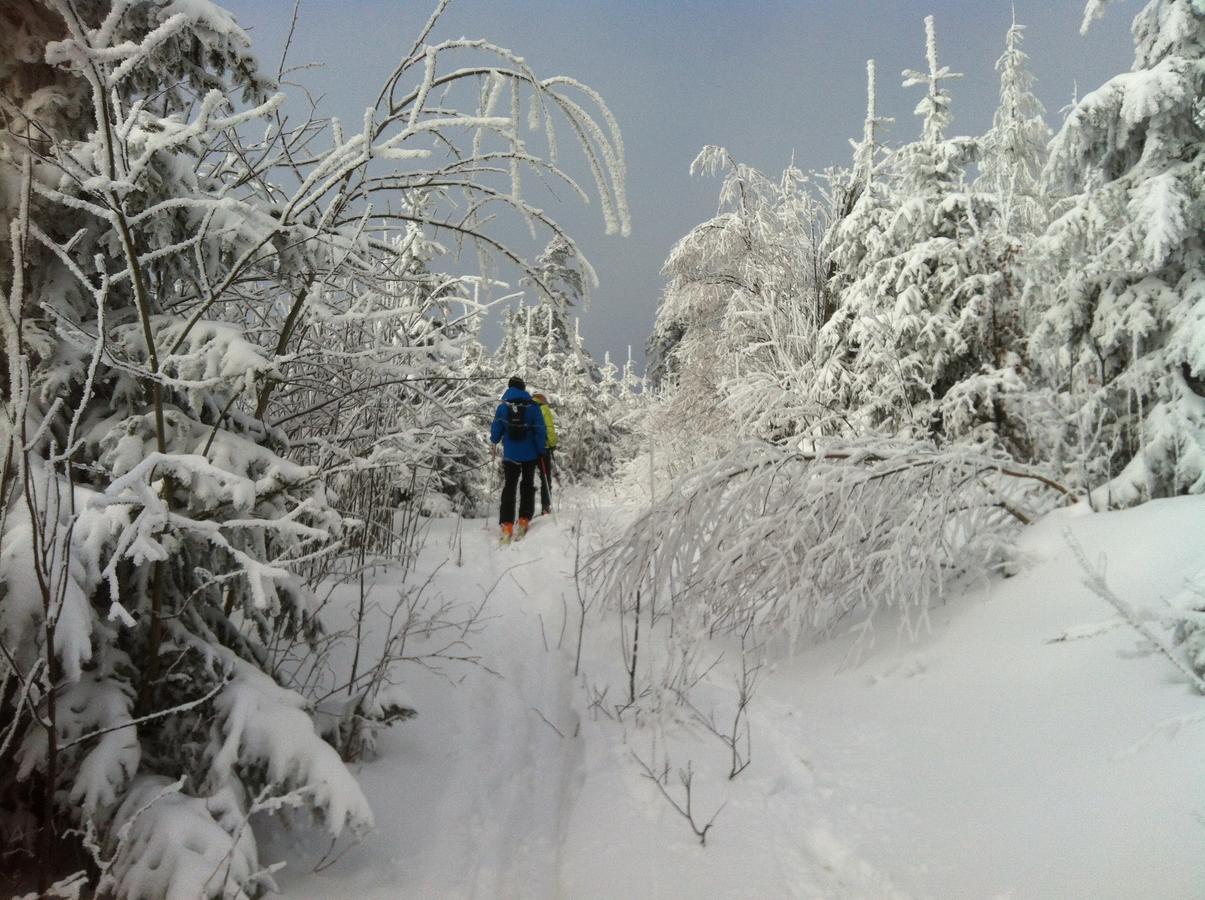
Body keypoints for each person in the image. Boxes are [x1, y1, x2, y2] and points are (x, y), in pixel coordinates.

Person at [490, 376, 547, 541]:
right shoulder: (533, 407)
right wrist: (540, 450)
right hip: (530, 455)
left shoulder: (503, 407)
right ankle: (524, 519)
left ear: (509, 388)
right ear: (523, 388)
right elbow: (540, 430)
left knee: (509, 486)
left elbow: (496, 431)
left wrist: (494, 441)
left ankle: (507, 523)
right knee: (527, 485)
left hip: (511, 455)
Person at [531, 392, 557, 515]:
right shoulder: (544, 409)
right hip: (543, 448)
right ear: (541, 399)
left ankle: (526, 511)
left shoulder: (527, 408)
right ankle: (546, 507)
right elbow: (549, 428)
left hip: (529, 449)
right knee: (545, 478)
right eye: (545, 399)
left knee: (528, 479)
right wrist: (552, 444)